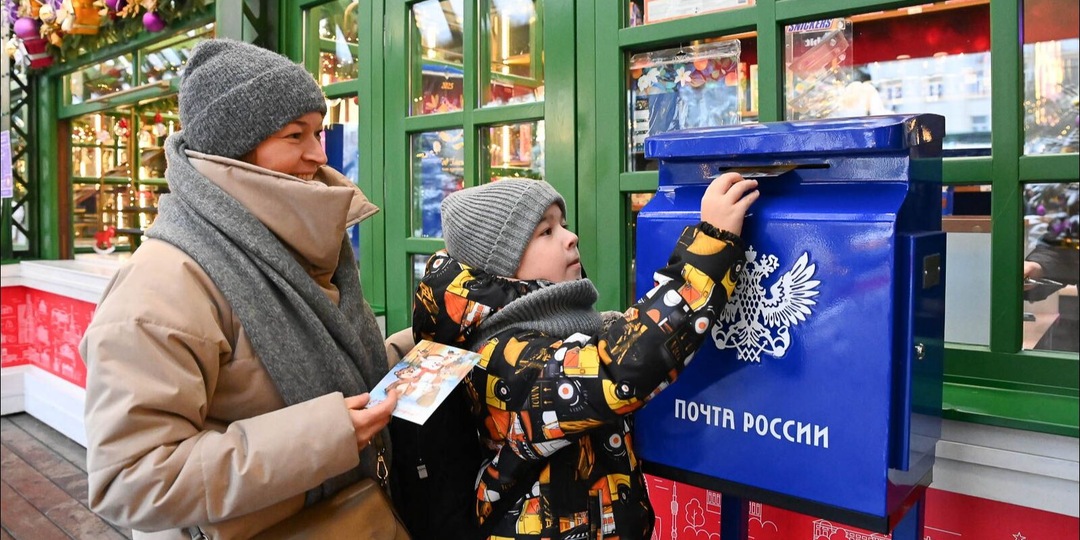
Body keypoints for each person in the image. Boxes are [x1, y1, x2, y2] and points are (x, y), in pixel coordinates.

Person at [79, 38, 399, 539]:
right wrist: (326, 435)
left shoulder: (304, 243)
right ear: (235, 148)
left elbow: (328, 369)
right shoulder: (162, 283)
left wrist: (410, 352)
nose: (318, 154)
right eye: (295, 135)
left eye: (318, 131)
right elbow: (131, 481)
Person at [410, 174, 758, 538]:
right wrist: (710, 248)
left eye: (563, 224)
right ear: (501, 265)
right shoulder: (502, 356)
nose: (570, 237)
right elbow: (617, 369)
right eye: (546, 231)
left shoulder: (561, 331)